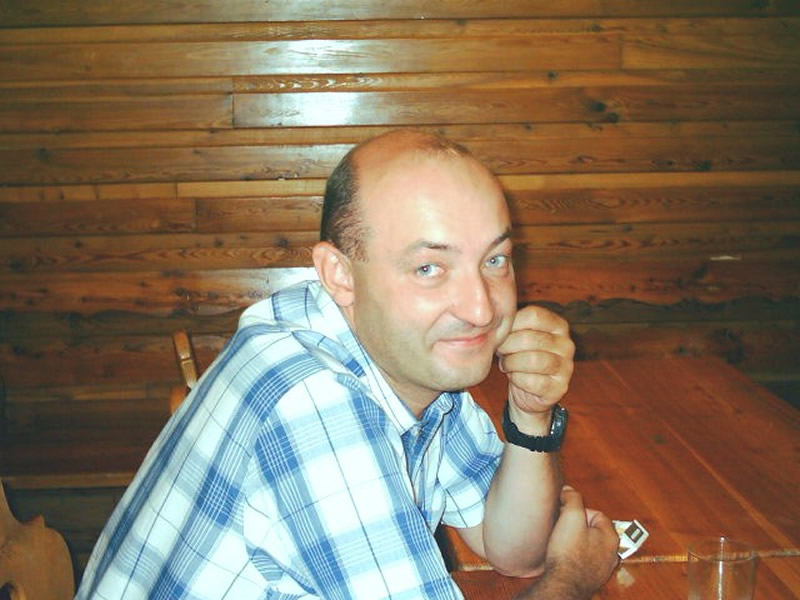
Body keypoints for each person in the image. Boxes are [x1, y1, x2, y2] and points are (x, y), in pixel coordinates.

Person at [76, 130, 618, 599]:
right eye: (429, 268)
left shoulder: (405, 357)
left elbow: (513, 551)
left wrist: (530, 412)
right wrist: (574, 579)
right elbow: (540, 565)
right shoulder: (313, 402)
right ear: (339, 274)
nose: (481, 308)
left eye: (494, 259)